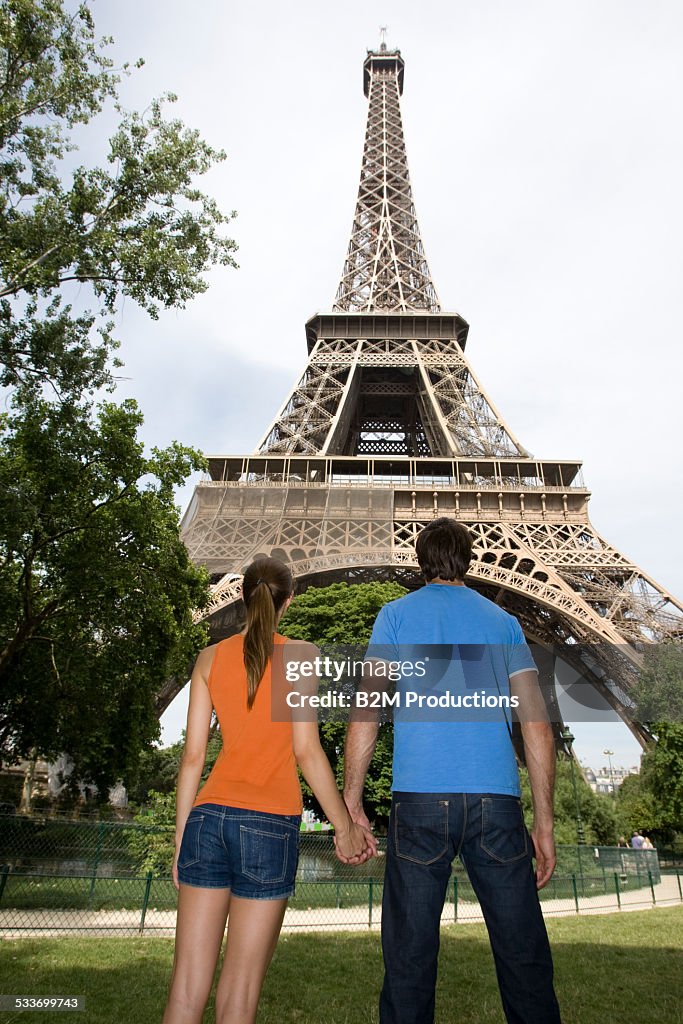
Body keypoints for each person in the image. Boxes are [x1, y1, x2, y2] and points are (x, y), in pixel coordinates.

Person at [344, 517, 562, 1024]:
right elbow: (537, 727)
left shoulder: (394, 616)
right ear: (470, 558)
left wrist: (352, 800)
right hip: (496, 802)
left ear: (421, 561)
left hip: (419, 800)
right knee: (524, 956)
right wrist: (544, 820)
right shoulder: (503, 623)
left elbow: (366, 711)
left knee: (408, 961)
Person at [162, 556, 372, 1024]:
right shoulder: (302, 655)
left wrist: (181, 839)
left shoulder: (209, 657)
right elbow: (306, 751)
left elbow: (193, 756)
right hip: (267, 824)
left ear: (241, 596)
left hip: (207, 820)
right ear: (288, 601)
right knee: (238, 994)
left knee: (185, 990)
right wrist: (345, 827)